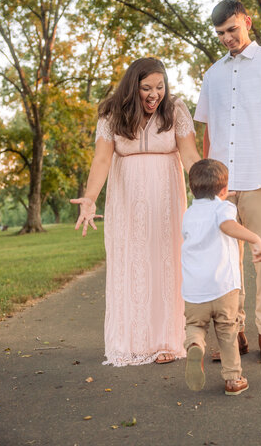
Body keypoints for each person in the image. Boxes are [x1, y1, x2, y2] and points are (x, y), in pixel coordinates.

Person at [71, 57, 200, 366]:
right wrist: (90, 198)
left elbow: (191, 156)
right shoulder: (112, 113)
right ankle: (132, 342)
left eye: (160, 87)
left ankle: (167, 340)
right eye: (146, 88)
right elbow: (102, 160)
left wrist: (210, 193)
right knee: (132, 261)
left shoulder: (176, 109)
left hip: (166, 199)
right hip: (126, 199)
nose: (154, 94)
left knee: (165, 261)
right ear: (133, 87)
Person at [194, 0, 261, 363]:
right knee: (224, 262)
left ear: (247, 23)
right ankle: (233, 333)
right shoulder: (212, 75)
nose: (227, 38)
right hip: (222, 186)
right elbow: (208, 132)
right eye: (221, 33)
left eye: (232, 30)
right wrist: (206, 183)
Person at [182, 159, 261, 396]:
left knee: (194, 326)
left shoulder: (188, 214)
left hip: (194, 290)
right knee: (228, 331)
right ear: (223, 190)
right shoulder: (225, 208)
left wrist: (218, 194)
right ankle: (233, 379)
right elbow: (227, 225)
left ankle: (195, 345)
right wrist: (255, 239)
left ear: (192, 189)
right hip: (223, 287)